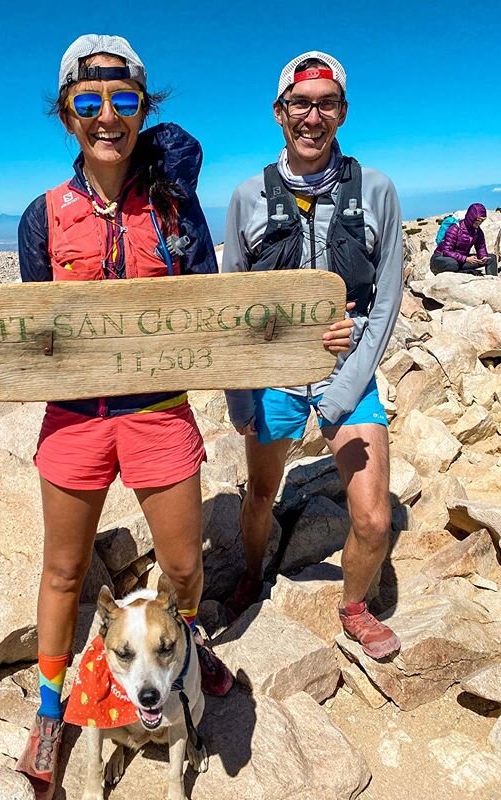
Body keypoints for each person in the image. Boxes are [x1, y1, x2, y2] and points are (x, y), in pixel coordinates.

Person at [0, 36, 353, 798]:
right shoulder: (44, 216)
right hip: (75, 418)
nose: (108, 117)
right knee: (65, 570)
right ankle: (48, 706)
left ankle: (184, 649)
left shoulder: (174, 205)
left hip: (159, 410)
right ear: (68, 113)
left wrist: (310, 335)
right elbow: (31, 324)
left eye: (124, 101)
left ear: (142, 109)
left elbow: (215, 309)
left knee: (183, 567)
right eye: (90, 102)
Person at [222, 51, 404, 662]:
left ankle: (354, 604)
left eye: (327, 103)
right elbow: (231, 303)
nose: (313, 116)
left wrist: (343, 391)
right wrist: (239, 396)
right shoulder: (247, 197)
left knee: (375, 519)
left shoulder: (375, 190)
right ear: (280, 113)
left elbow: (386, 297)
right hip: (272, 378)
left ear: (343, 112)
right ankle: (253, 571)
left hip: (348, 375)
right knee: (260, 496)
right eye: (301, 103)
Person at [430, 203, 498, 276]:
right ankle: (465, 272)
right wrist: (466, 259)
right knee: (452, 264)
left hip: (461, 260)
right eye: (478, 220)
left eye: (482, 220)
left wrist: (483, 257)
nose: (480, 223)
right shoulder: (455, 229)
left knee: (491, 258)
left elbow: (481, 247)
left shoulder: (477, 231)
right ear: (472, 217)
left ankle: (491, 279)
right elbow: (446, 251)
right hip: (441, 259)